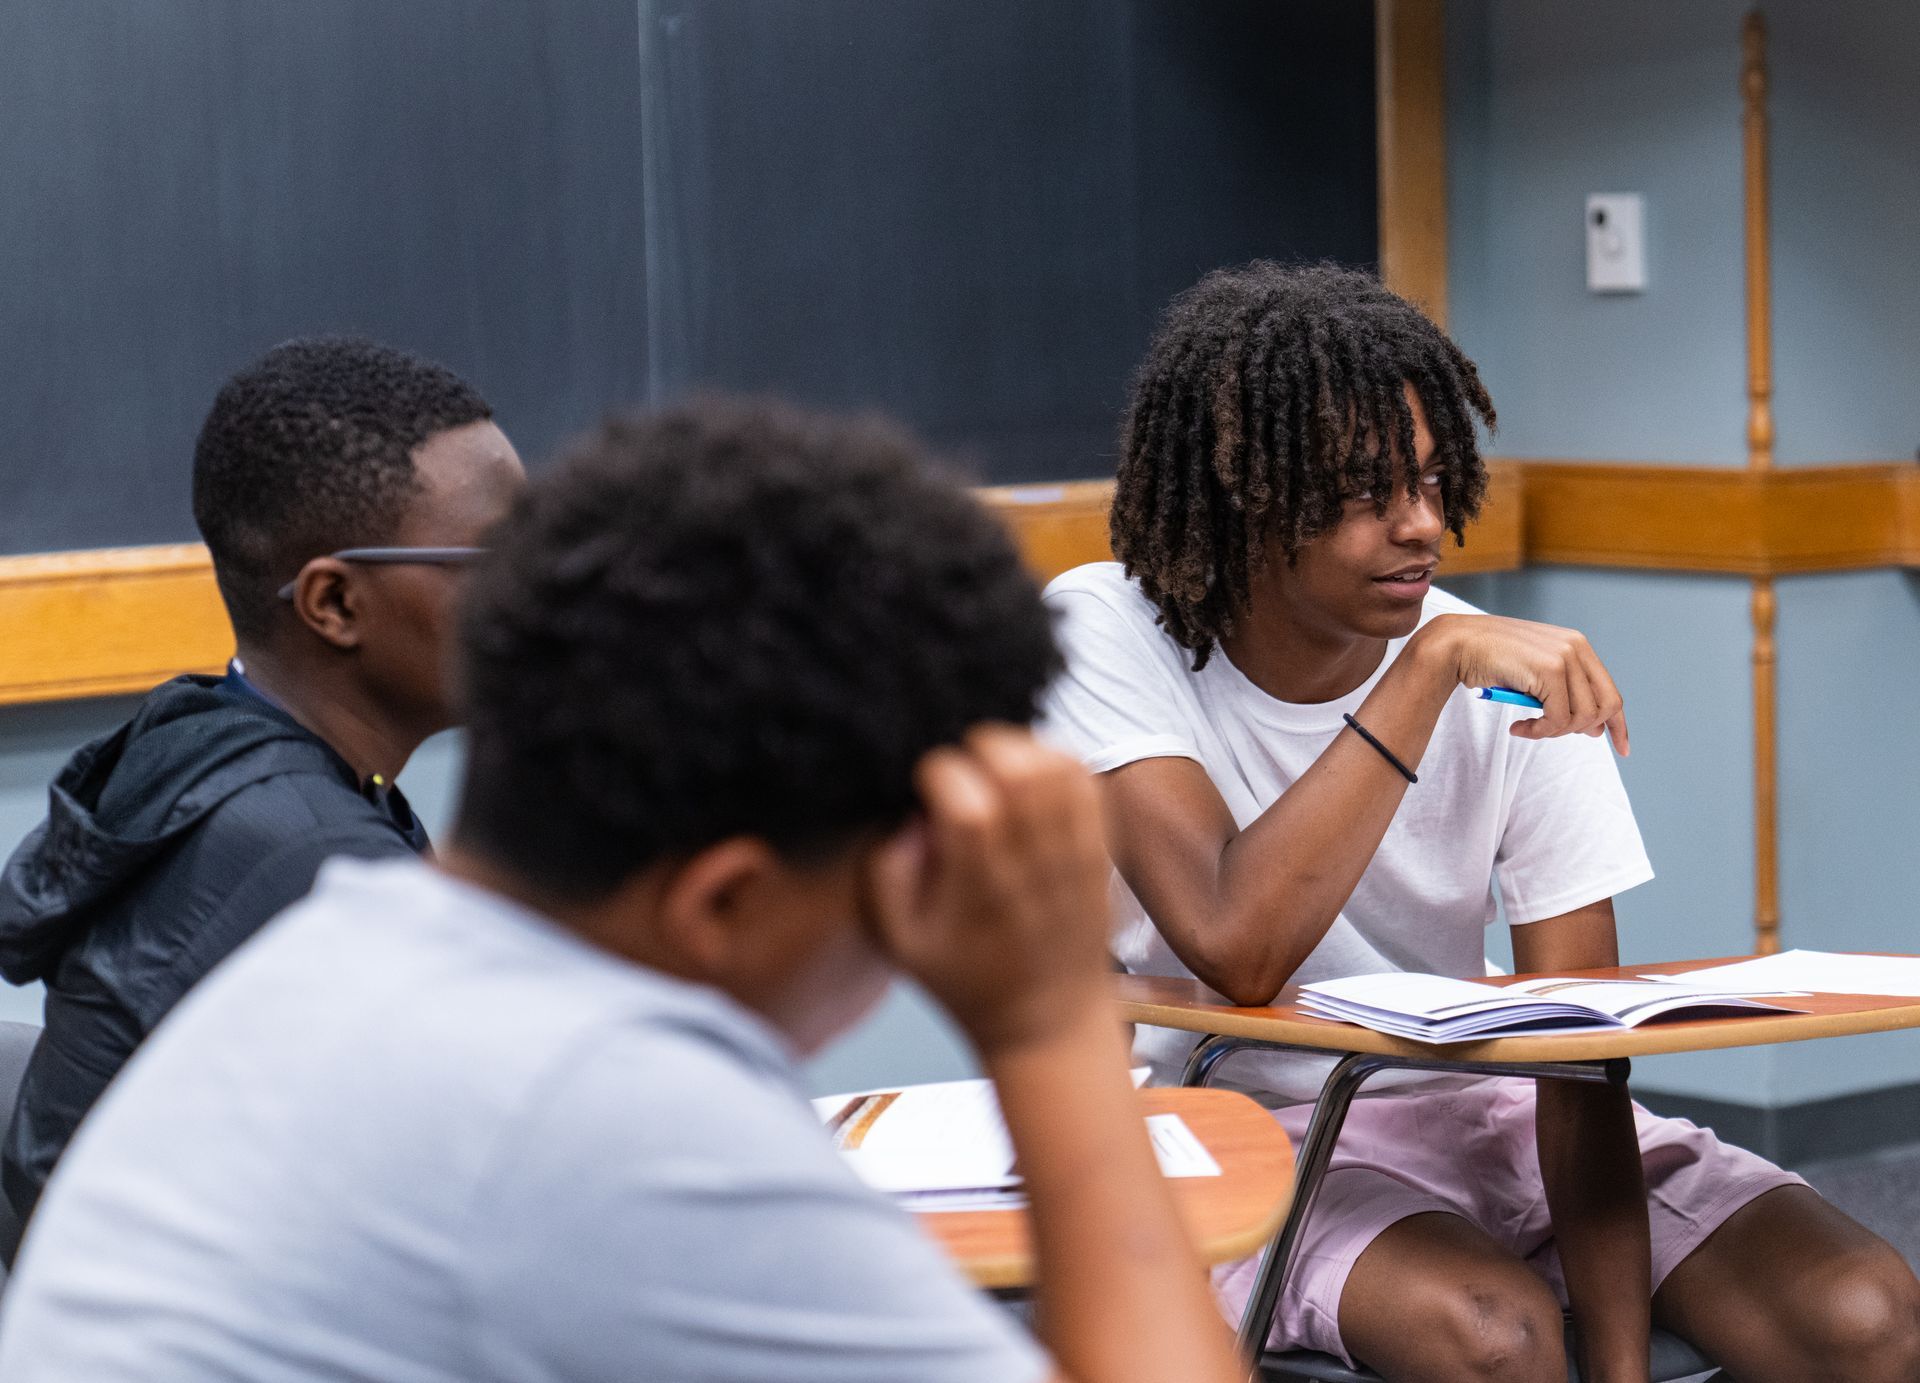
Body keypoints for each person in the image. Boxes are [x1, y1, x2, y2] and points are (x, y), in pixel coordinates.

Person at [0, 400, 1245, 1383]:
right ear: (725, 903)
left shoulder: (352, 937)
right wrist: (1046, 1022)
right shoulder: (598, 1110)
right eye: (899, 906)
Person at [1039, 262, 1920, 1382]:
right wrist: (1429, 668)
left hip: (1484, 1107)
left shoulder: (1505, 673)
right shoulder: (1108, 628)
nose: (1424, 528)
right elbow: (1236, 940)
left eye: (1433, 479)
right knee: (1497, 1338)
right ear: (1244, 494)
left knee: (1870, 1315)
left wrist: (1618, 1369)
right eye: (1369, 494)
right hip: (1244, 1130)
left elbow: (1578, 1053)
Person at [0, 337, 525, 1230]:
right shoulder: (319, 870)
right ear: (333, 604)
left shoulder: (209, 738)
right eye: (498, 560)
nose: (543, 589)